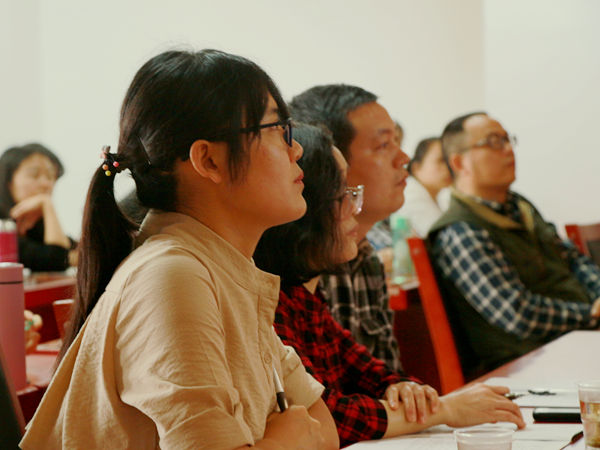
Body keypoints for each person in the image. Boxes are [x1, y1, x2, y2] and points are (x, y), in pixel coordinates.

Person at [21, 49, 338, 450]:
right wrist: (286, 440)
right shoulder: (172, 275)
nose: (296, 150)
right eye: (278, 129)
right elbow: (307, 430)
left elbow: (323, 429)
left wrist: (287, 437)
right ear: (208, 160)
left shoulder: (223, 267)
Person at [254, 123, 525, 447]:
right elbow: (327, 415)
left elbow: (372, 371)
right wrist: (443, 409)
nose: (354, 207)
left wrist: (405, 390)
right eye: (341, 194)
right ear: (303, 206)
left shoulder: (308, 297)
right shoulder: (270, 302)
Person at [429, 111, 600, 377]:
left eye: (508, 140)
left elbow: (572, 259)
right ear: (460, 162)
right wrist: (591, 313)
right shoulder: (461, 229)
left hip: (577, 342)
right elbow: (517, 314)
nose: (508, 149)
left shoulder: (520, 206)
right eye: (493, 142)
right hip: (528, 365)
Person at [289, 84, 408, 372]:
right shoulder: (301, 265)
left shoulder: (366, 258)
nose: (403, 158)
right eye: (384, 145)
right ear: (326, 163)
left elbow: (390, 380)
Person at [0, 143, 77, 271]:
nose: (46, 184)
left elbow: (78, 254)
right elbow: (58, 260)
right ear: (8, 181)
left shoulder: (36, 222)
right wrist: (47, 203)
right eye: (34, 175)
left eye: (50, 176)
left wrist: (46, 206)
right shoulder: (3, 225)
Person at [392, 137, 451, 237]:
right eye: (441, 160)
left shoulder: (440, 196)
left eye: (449, 160)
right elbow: (444, 237)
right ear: (416, 168)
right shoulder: (410, 194)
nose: (449, 167)